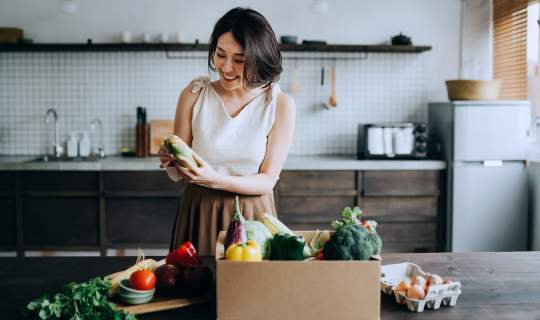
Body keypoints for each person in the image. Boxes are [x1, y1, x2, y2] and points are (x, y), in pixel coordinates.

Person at [159, 7, 296, 256]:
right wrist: (171, 162)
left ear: (259, 58)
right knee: (194, 289)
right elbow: (176, 174)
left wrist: (215, 180)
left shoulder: (280, 105)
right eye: (220, 55)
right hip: (199, 210)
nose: (226, 67)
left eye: (240, 60)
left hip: (252, 217)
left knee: (250, 292)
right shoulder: (194, 95)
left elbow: (268, 179)